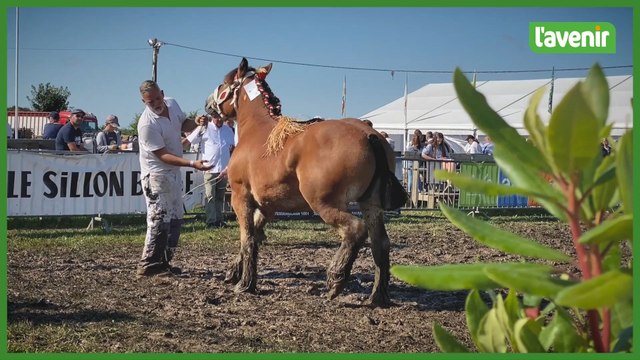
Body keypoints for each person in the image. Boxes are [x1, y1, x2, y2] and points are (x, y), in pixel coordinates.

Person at [136, 80, 213, 278]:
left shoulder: (172, 103)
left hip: (172, 173)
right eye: (150, 101)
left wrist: (196, 122)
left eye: (158, 98)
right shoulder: (147, 125)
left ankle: (164, 262)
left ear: (163, 93)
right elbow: (161, 155)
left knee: (176, 217)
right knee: (158, 219)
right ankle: (149, 264)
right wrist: (191, 164)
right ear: (143, 102)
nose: (156, 103)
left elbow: (182, 123)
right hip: (156, 174)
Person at [184, 113, 235, 228]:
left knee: (220, 197)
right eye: (216, 117)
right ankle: (211, 221)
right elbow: (189, 141)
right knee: (210, 196)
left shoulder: (228, 130)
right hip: (209, 168)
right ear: (212, 116)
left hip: (224, 169)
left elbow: (232, 148)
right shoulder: (204, 128)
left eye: (221, 117)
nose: (219, 119)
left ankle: (219, 220)